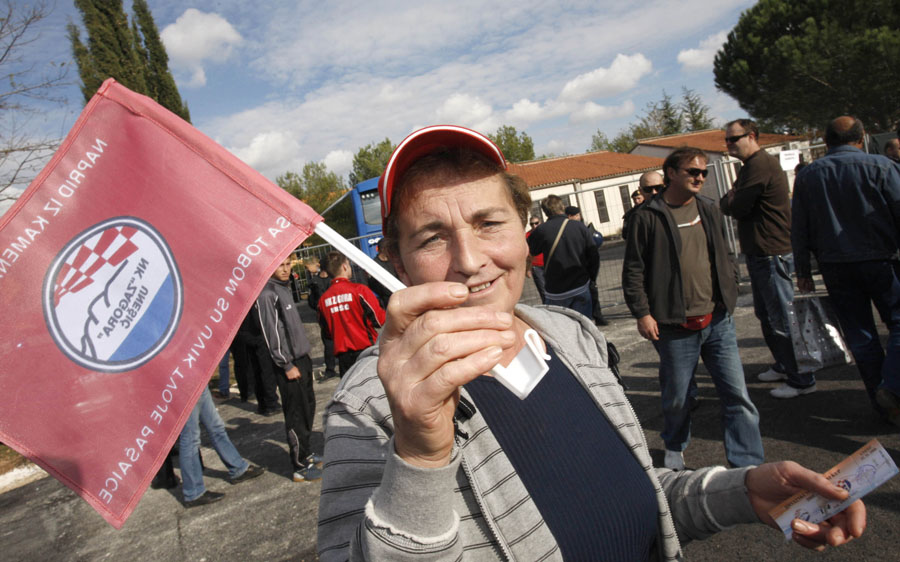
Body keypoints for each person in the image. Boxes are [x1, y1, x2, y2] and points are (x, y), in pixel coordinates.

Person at [317, 125, 865, 560]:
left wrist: (743, 490)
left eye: (489, 223)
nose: (468, 260)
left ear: (523, 226)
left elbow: (639, 496)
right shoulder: (368, 403)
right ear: (396, 257)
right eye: (432, 237)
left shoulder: (570, 334)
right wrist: (418, 454)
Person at [623, 146, 764, 470]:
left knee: (737, 395)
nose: (700, 177)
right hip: (675, 327)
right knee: (677, 398)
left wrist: (732, 283)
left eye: (704, 172)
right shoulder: (647, 217)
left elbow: (725, 252)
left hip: (718, 320)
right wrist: (642, 313)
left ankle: (747, 465)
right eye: (693, 171)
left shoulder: (708, 208)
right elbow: (633, 270)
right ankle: (674, 444)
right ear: (672, 173)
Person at [792, 115, 900, 426]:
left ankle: (886, 407)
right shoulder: (881, 166)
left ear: (826, 141)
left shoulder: (809, 176)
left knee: (861, 336)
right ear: (861, 137)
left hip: (836, 266)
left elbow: (800, 226)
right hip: (881, 260)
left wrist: (802, 270)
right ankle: (891, 387)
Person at [720, 119, 809, 399]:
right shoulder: (749, 168)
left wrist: (733, 199)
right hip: (760, 253)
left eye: (734, 139)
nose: (729, 144)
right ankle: (785, 365)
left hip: (772, 253)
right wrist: (732, 200)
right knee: (767, 316)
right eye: (727, 140)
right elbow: (728, 203)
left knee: (782, 318)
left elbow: (737, 206)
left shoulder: (760, 165)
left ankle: (802, 378)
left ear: (752, 136)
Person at [258, 254, 323, 482]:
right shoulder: (268, 294)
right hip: (289, 364)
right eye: (280, 266)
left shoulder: (285, 288)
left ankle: (306, 453)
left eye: (287, 265)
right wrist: (286, 364)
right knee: (295, 413)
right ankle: (298, 466)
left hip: (302, 358)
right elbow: (272, 333)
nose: (285, 270)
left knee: (308, 407)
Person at [178, 387, 264, 507]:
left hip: (198, 381)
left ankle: (237, 468)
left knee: (216, 427)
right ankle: (193, 492)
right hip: (181, 386)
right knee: (190, 438)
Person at [528, 196, 599, 318]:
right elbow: (593, 255)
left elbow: (532, 250)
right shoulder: (579, 227)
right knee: (584, 328)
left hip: (555, 290)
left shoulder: (541, 230)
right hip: (580, 285)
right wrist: (591, 277)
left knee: (562, 330)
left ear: (545, 212)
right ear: (563, 207)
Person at [318, 251, 386, 375]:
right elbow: (379, 320)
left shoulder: (323, 300)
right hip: (367, 351)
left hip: (343, 357)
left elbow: (327, 332)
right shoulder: (359, 290)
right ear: (344, 266)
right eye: (348, 265)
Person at [306, 257, 338, 381]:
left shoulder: (332, 280)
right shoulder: (314, 282)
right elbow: (311, 301)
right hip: (325, 316)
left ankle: (334, 367)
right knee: (329, 342)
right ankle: (330, 369)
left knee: (336, 341)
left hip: (334, 314)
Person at [366, 238, 398, 309]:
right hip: (386, 300)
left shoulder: (394, 261)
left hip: (399, 294)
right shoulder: (374, 264)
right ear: (384, 249)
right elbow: (371, 283)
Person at [525, 214, 546, 303]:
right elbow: (526, 254)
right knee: (543, 291)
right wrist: (528, 269)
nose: (534, 226)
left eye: (536, 223)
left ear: (540, 222)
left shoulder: (546, 232)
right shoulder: (527, 236)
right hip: (536, 266)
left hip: (549, 263)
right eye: (532, 224)